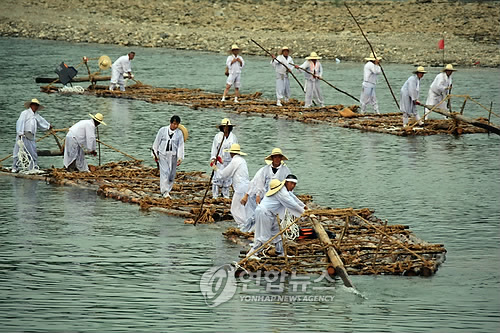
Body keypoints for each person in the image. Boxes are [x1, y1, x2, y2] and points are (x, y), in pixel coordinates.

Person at [248, 175, 306, 258]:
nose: (293, 186)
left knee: (277, 234)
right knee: (265, 236)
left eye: (294, 184)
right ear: (286, 182)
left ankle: (280, 253)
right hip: (264, 213)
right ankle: (252, 253)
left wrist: (304, 207)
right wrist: (304, 212)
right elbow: (292, 204)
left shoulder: (285, 191)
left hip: (271, 214)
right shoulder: (282, 192)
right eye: (291, 183)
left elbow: (294, 199)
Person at [211, 143, 254, 228]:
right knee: (246, 209)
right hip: (247, 187)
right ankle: (249, 225)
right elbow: (230, 169)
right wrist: (222, 163)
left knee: (235, 209)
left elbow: (224, 174)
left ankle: (243, 226)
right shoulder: (242, 160)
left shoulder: (235, 161)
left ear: (231, 153)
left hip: (240, 189)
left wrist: (216, 169)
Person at [11, 98, 52, 173]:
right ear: (31, 105)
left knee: (32, 153)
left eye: (36, 105)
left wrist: (48, 126)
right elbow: (20, 122)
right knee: (18, 152)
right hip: (23, 135)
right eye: (34, 105)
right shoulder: (25, 113)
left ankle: (32, 167)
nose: (35, 107)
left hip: (31, 136)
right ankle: (14, 167)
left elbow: (42, 122)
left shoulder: (36, 115)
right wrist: (20, 132)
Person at [152, 115, 185, 198]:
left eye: (177, 124)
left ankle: (168, 189)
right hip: (163, 154)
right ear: (170, 123)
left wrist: (180, 157)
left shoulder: (179, 133)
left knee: (172, 174)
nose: (175, 126)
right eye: (174, 124)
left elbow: (181, 146)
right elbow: (156, 142)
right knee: (165, 172)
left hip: (173, 155)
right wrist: (154, 154)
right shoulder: (162, 130)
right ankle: (164, 191)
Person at [210, 118, 238, 199]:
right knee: (216, 178)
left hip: (229, 161)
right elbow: (214, 149)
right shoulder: (218, 137)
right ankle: (215, 196)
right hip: (219, 161)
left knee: (227, 179)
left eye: (227, 127)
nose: (225, 129)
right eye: (224, 127)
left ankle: (225, 196)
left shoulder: (233, 137)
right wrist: (213, 158)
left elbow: (235, 149)